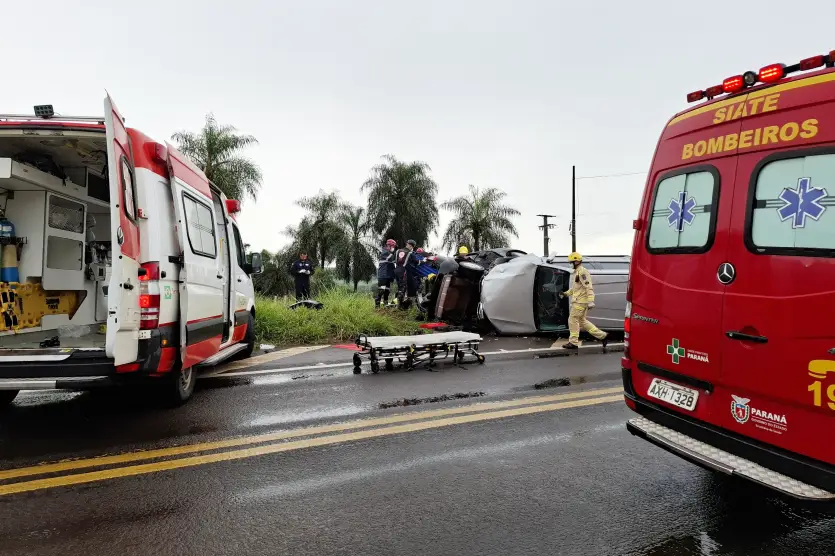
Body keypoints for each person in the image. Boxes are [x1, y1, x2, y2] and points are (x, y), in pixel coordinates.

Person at [559, 252, 608, 350]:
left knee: (572, 320)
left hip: (580, 302)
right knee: (582, 321)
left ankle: (573, 342)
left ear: (577, 262)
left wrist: (591, 300)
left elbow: (588, 286)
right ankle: (602, 336)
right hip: (580, 301)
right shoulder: (577, 272)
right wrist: (565, 294)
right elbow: (575, 289)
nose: (570, 264)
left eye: (571, 262)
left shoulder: (582, 272)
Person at [394, 239, 417, 306]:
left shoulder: (398, 251)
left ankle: (398, 304)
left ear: (407, 244)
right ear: (411, 246)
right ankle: (399, 306)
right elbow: (416, 262)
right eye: (412, 247)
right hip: (403, 271)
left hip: (396, 270)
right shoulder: (410, 253)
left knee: (399, 287)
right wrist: (422, 261)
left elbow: (394, 260)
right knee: (403, 288)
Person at [375, 239, 397, 307]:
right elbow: (390, 258)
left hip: (388, 275)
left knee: (387, 290)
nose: (393, 248)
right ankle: (377, 305)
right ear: (389, 246)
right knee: (382, 289)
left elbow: (392, 263)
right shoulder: (384, 252)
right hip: (383, 275)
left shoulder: (389, 253)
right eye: (393, 246)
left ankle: (385, 304)